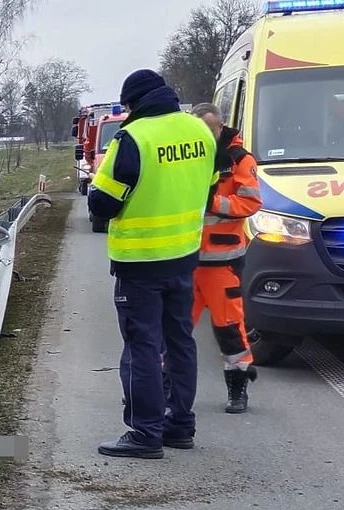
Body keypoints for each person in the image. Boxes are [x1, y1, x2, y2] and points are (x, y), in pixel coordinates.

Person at [88, 69, 217, 459]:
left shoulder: (132, 139)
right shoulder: (200, 132)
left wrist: (99, 187)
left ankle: (145, 432)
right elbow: (208, 187)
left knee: (142, 346)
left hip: (141, 262)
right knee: (180, 341)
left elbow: (102, 204)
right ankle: (180, 425)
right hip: (184, 257)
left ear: (133, 104)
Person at [190, 103, 264, 414]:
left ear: (221, 127)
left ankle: (238, 388)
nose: (207, 135)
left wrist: (211, 201)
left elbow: (250, 203)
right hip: (186, 259)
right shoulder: (189, 157)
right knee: (173, 328)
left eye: (212, 129)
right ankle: (165, 387)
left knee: (229, 327)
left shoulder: (239, 161)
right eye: (201, 130)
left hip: (222, 261)